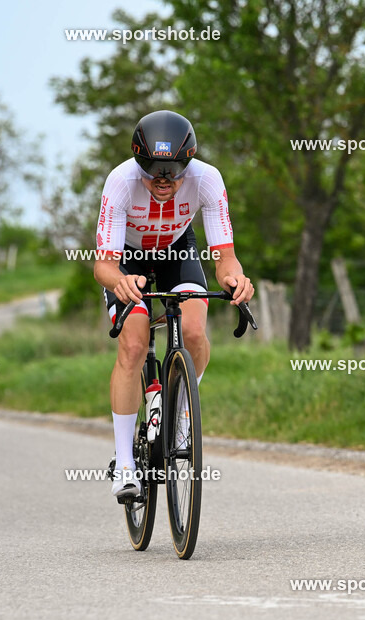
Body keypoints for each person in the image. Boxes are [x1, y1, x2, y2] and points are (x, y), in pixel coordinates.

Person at [93, 110, 254, 498]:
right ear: (138, 163)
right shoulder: (120, 181)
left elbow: (226, 259)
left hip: (176, 251)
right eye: (152, 172)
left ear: (189, 162)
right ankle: (125, 464)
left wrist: (235, 280)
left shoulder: (207, 179)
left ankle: (180, 411)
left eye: (173, 172)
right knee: (134, 346)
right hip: (128, 259)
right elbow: (104, 266)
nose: (163, 181)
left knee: (195, 333)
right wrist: (120, 281)